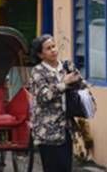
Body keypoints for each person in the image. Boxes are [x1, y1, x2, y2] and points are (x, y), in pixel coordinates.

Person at [29, 34, 81, 172]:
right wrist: (64, 83)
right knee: (52, 168)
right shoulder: (37, 71)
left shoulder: (66, 66)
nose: (53, 50)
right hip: (47, 130)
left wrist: (78, 83)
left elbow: (81, 85)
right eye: (48, 48)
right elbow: (43, 96)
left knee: (65, 167)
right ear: (41, 55)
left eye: (54, 46)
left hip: (65, 127)